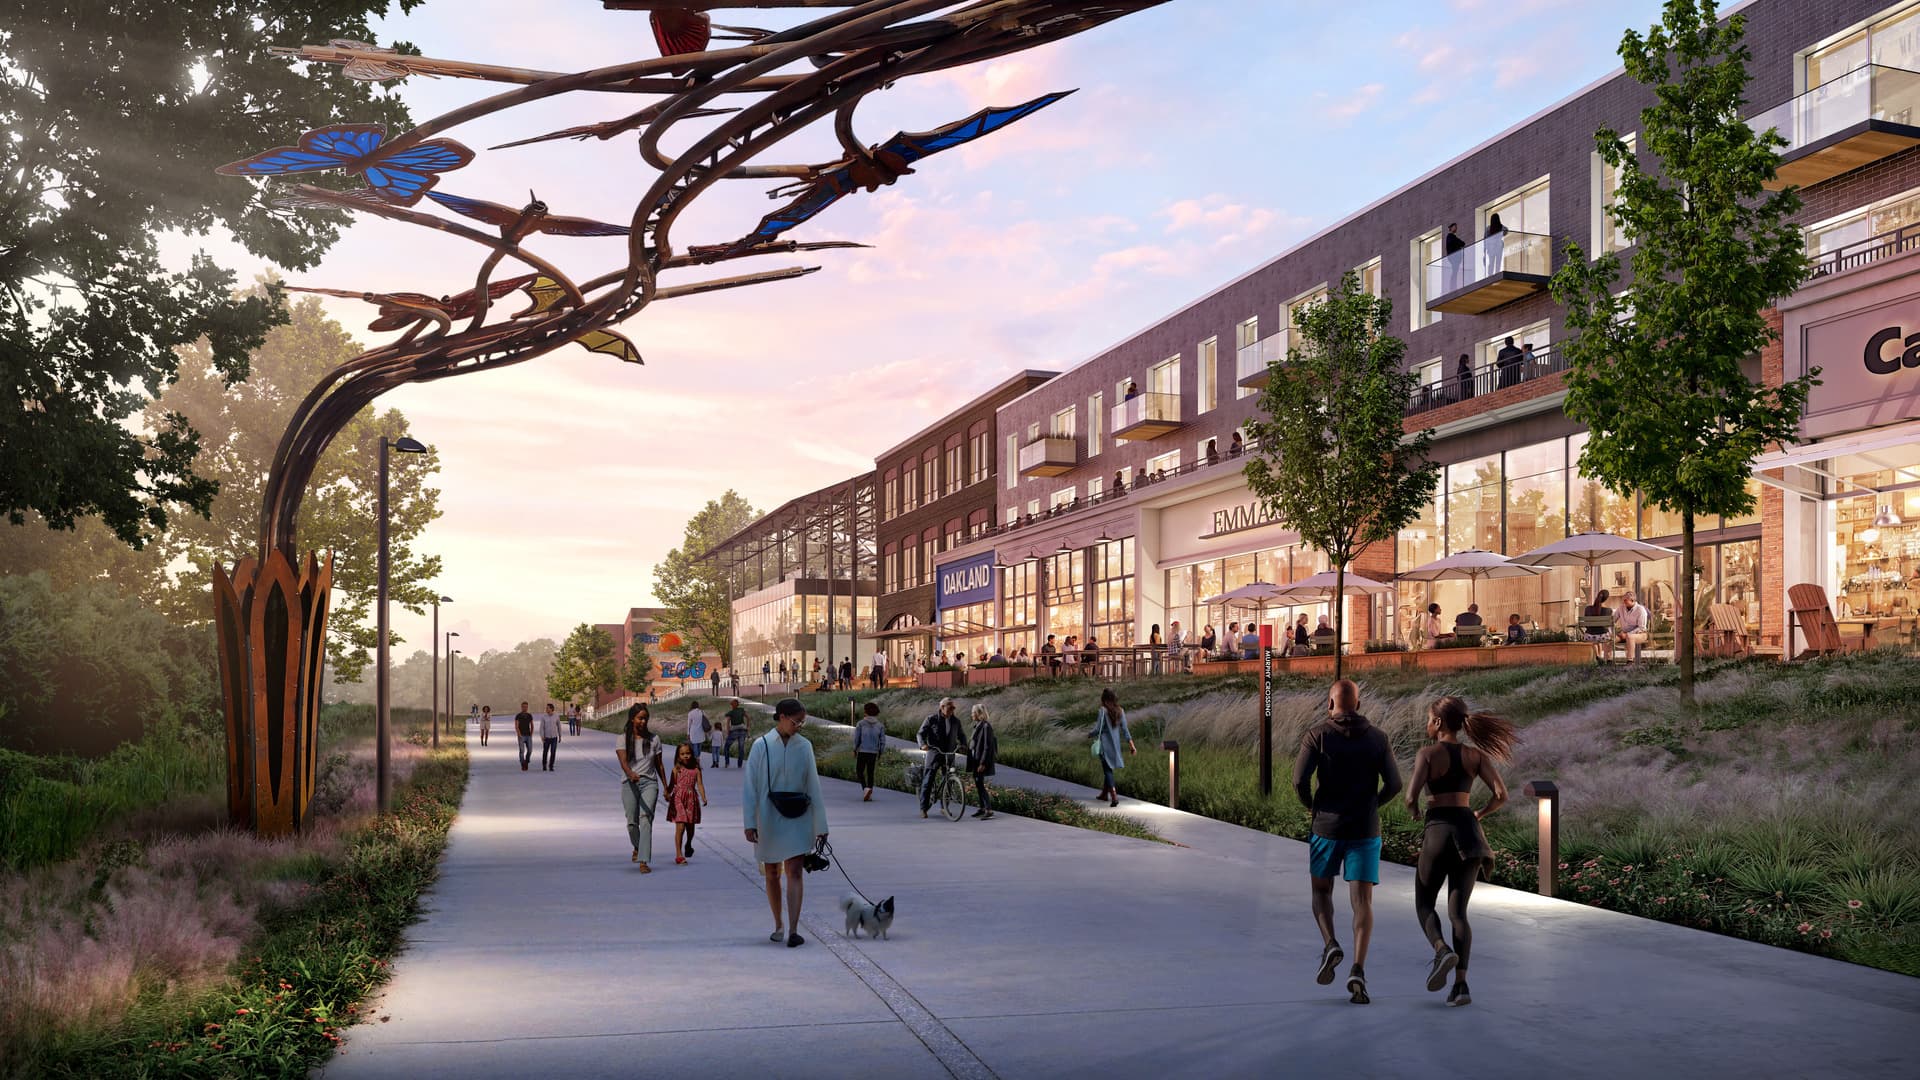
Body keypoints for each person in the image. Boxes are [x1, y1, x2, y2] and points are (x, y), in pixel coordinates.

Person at [1293, 679, 1404, 1006]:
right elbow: (1395, 784)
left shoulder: (1317, 735)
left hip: (1326, 827)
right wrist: (1374, 804)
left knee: (1321, 891)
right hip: (1365, 829)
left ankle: (1330, 944)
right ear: (1357, 704)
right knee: (1363, 902)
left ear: (1330, 704)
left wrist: (1310, 806)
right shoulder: (1379, 738)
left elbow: (1299, 780)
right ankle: (1358, 969)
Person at [1405, 696, 1516, 1008]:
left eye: (1429, 718)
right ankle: (1462, 985)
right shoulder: (1475, 755)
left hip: (1439, 831)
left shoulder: (1427, 754)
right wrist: (1479, 813)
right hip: (1469, 834)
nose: (1427, 724)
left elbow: (1410, 796)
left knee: (1424, 903)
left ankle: (1441, 950)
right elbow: (1500, 795)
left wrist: (1414, 811)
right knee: (1459, 913)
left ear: (1439, 723)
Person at [741, 699, 827, 947]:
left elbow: (814, 784)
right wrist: (750, 823)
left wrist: (821, 825)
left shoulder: (805, 746)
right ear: (781, 717)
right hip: (768, 816)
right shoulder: (761, 746)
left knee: (795, 871)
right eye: (796, 721)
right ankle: (778, 923)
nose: (799, 725)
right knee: (771, 873)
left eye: (802, 721)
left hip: (800, 814)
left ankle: (793, 929)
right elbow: (750, 787)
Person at [617, 703, 666, 873]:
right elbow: (623, 762)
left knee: (646, 819)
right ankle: (638, 847)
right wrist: (630, 774)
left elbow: (659, 766)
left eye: (645, 718)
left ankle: (643, 860)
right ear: (632, 719)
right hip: (629, 783)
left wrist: (666, 787)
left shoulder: (654, 739)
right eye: (640, 718)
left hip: (649, 783)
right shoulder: (622, 738)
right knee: (632, 823)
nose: (643, 721)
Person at [916, 698, 965, 819]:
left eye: (953, 708)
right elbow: (920, 734)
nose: (952, 710)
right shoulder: (932, 719)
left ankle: (944, 807)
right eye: (950, 707)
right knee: (928, 780)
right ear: (942, 707)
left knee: (949, 781)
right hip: (934, 753)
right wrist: (922, 744)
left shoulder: (956, 721)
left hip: (949, 754)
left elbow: (961, 735)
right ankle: (923, 808)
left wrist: (963, 745)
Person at [666, 742, 709, 866]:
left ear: (692, 754)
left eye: (688, 753)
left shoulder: (696, 770)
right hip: (678, 799)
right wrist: (667, 793)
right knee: (680, 826)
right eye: (683, 754)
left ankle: (688, 844)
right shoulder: (676, 770)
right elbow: (671, 785)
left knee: (690, 828)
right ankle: (679, 855)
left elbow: (700, 784)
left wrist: (703, 797)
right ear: (678, 756)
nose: (686, 756)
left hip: (691, 800)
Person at [1091, 687, 1135, 807]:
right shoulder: (1121, 711)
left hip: (1105, 746)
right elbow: (1125, 730)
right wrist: (1131, 745)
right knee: (1109, 769)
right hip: (1115, 746)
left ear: (1104, 700)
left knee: (1107, 770)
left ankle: (1114, 796)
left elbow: (1097, 729)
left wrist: (1089, 734)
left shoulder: (1102, 711)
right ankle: (1104, 794)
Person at [968, 704, 998, 820]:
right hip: (976, 760)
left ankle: (988, 809)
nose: (971, 715)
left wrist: (983, 763)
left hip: (981, 761)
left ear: (979, 714)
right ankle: (982, 808)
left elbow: (987, 746)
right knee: (977, 783)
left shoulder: (986, 726)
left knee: (980, 784)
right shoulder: (978, 725)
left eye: (973, 713)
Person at [853, 702, 886, 801]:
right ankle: (869, 792)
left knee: (859, 771)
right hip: (874, 752)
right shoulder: (880, 726)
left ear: (865, 712)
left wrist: (855, 749)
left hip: (863, 751)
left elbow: (857, 739)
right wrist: (880, 752)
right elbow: (883, 741)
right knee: (870, 773)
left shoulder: (861, 724)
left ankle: (865, 789)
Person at [1615, 590, 1651, 661]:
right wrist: (1612, 632)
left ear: (1632, 600)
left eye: (1625, 600)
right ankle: (1608, 660)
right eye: (1623, 600)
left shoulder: (1640, 610)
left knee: (1630, 637)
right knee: (1610, 638)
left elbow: (1641, 628)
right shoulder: (1621, 608)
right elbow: (1612, 620)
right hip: (1624, 633)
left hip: (1640, 634)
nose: (1623, 602)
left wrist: (1627, 634)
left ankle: (1630, 661)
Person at [1583, 588, 1614, 662]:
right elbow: (1608, 625)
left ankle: (1598, 656)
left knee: (1595, 638)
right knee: (1601, 636)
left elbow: (1586, 625)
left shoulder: (1588, 608)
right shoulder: (1608, 610)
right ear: (1606, 599)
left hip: (1589, 636)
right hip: (1603, 636)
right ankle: (1604, 658)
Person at [723, 698, 750, 768]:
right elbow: (748, 717)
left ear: (732, 705)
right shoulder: (741, 710)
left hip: (734, 731)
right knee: (741, 748)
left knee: (726, 747)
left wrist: (728, 731)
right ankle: (740, 764)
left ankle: (727, 763)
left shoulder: (730, 712)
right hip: (743, 730)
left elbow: (728, 721)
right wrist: (747, 727)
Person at [1442, 221, 1467, 292]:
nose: (1456, 228)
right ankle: (1453, 286)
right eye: (1455, 226)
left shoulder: (1452, 237)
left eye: (1456, 227)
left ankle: (1453, 286)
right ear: (1451, 228)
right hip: (1454, 257)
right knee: (1454, 272)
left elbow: (1462, 243)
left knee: (1455, 271)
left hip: (1455, 257)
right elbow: (1460, 243)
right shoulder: (1450, 237)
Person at [1482, 211, 1508, 278]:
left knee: (1491, 262)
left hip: (1491, 247)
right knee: (1498, 263)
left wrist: (1484, 251)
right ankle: (1497, 275)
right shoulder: (1501, 227)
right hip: (1499, 246)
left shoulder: (1489, 228)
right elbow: (1506, 230)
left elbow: (1485, 239)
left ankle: (1490, 276)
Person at [687, 699, 712, 765]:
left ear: (692, 706)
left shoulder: (690, 713)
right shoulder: (702, 712)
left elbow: (689, 724)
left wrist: (688, 733)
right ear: (698, 705)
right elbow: (705, 720)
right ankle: (697, 757)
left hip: (693, 731)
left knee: (695, 745)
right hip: (701, 731)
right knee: (699, 745)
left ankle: (696, 758)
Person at [539, 702, 561, 771]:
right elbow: (541, 728)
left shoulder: (556, 716)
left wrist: (560, 735)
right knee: (545, 752)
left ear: (551, 709)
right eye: (546, 708)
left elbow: (559, 726)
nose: (546, 709)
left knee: (553, 752)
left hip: (554, 737)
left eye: (547, 708)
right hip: (546, 738)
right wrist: (542, 736)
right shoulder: (543, 717)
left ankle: (551, 766)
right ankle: (544, 765)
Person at [514, 702, 534, 771]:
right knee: (522, 750)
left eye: (526, 707)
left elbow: (532, 725)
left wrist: (531, 733)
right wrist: (519, 734)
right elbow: (516, 726)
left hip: (528, 735)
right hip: (521, 735)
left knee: (530, 750)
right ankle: (523, 764)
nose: (525, 708)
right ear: (521, 707)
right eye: (523, 707)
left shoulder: (529, 715)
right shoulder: (518, 716)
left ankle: (527, 761)